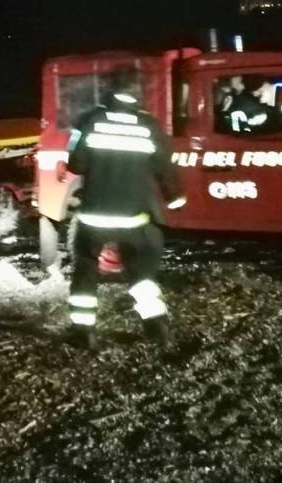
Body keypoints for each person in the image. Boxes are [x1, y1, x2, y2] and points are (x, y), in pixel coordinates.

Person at [65, 65, 186, 350]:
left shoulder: (89, 120)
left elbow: (76, 163)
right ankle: (157, 328)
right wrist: (175, 197)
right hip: (135, 217)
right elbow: (165, 167)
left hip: (94, 216)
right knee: (141, 274)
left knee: (85, 271)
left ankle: (84, 333)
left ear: (109, 90)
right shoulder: (149, 125)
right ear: (137, 93)